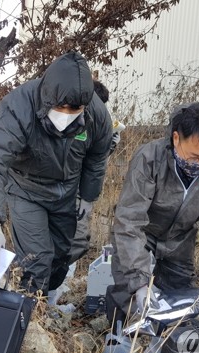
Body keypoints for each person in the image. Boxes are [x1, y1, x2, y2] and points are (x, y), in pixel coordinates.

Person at [0, 51, 113, 296]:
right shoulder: (19, 106)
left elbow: (97, 157)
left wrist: (88, 197)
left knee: (62, 255)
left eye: (74, 108)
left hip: (67, 191)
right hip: (27, 189)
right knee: (37, 258)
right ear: (47, 96)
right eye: (61, 107)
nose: (66, 113)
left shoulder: (95, 114)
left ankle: (43, 298)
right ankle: (30, 313)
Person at [105, 102, 199, 326]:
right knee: (130, 296)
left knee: (178, 303)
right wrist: (140, 284)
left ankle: (164, 350)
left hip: (180, 240)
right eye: (195, 157)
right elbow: (129, 220)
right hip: (142, 233)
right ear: (176, 139)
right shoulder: (150, 159)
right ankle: (122, 336)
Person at [68, 79, 123, 266]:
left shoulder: (98, 124)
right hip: (64, 188)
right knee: (64, 240)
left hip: (82, 191)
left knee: (78, 241)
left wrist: (110, 145)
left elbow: (95, 163)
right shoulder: (70, 120)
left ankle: (56, 281)